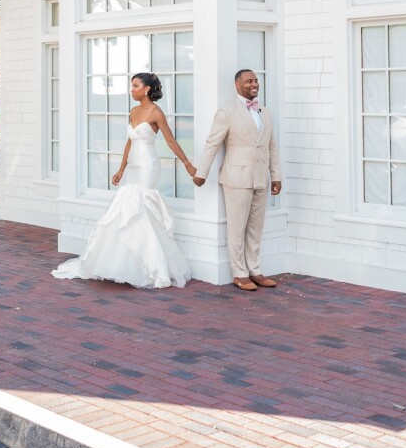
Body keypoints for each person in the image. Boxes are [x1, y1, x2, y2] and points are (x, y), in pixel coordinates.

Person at [52, 72, 194, 289]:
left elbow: (170, 140)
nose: (131, 89)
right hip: (134, 165)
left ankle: (151, 266)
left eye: (135, 86)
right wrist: (121, 168)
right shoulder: (133, 111)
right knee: (125, 206)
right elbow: (129, 142)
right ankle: (122, 263)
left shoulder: (156, 112)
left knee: (142, 207)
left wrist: (187, 164)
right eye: (131, 86)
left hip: (148, 166)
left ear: (146, 89)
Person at [193, 69, 282, 291]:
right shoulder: (227, 111)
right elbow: (213, 142)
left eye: (256, 80)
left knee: (255, 227)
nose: (254, 84)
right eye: (249, 81)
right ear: (237, 85)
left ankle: (255, 270)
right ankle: (239, 273)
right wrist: (201, 172)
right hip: (236, 177)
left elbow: (272, 147)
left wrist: (276, 176)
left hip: (261, 177)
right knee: (237, 227)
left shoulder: (265, 112)